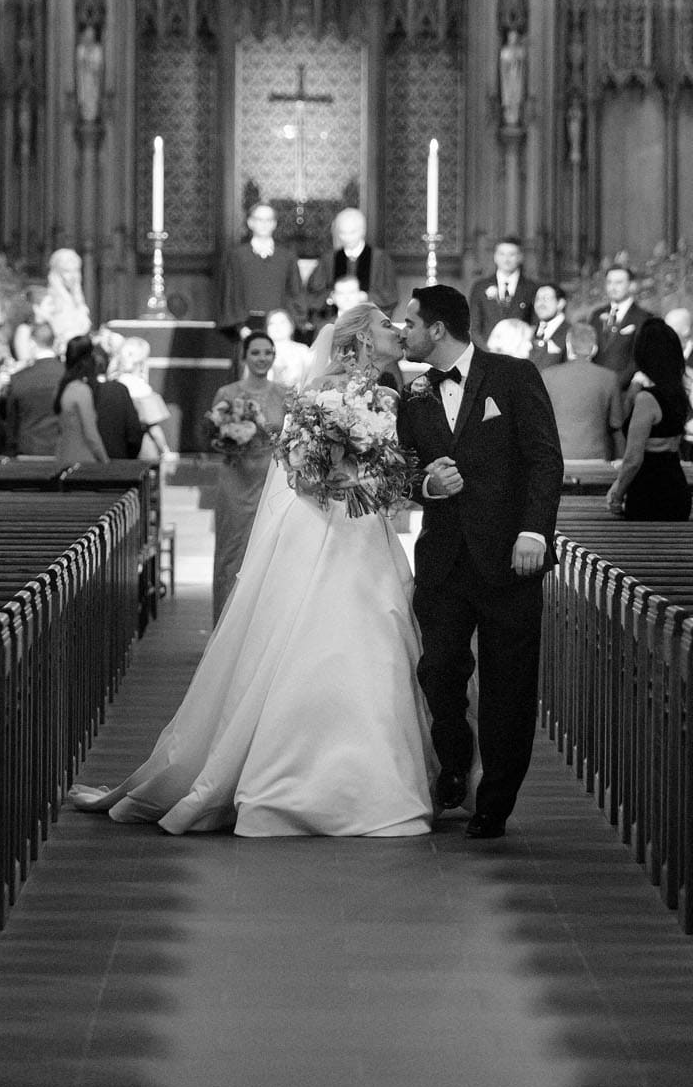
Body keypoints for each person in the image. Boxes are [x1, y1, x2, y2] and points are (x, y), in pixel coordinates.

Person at [72, 303, 434, 836]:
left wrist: (381, 483)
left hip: (368, 530)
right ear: (357, 339)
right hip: (322, 528)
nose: (397, 331)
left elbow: (390, 464)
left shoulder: (388, 396)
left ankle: (380, 775)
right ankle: (290, 776)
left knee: (379, 635)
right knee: (310, 638)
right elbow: (299, 469)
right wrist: (339, 480)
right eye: (385, 324)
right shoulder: (317, 393)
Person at [397, 284, 565, 840]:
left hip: (509, 557)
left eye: (411, 324)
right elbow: (406, 472)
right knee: (437, 669)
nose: (405, 333)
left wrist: (534, 531)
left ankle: (495, 800)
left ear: (438, 329)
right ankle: (452, 760)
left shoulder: (513, 376)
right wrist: (429, 484)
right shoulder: (415, 393)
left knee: (508, 684)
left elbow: (544, 459)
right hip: (444, 559)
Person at [208, 331, 290, 618]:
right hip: (236, 480)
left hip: (272, 479)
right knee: (232, 553)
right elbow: (212, 440)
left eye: (267, 352)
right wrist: (230, 437)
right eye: (255, 352)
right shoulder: (228, 394)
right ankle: (224, 625)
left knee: (271, 553)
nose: (262, 358)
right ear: (244, 356)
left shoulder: (285, 393)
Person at [605, 316, 692, 521]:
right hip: (677, 488)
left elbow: (633, 459)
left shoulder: (647, 399)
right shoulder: (679, 395)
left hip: (649, 491)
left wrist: (617, 493)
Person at [217, 203, 304, 339]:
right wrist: (240, 327)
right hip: (246, 327)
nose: (264, 224)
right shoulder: (236, 256)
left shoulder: (287, 256)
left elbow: (295, 292)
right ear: (250, 222)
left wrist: (290, 325)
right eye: (259, 219)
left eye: (268, 220)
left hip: (280, 328)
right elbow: (229, 293)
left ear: (274, 224)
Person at [542, 321, 625, 460]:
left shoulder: (547, 375)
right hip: (596, 460)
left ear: (568, 346)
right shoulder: (609, 378)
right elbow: (617, 425)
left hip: (558, 460)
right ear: (594, 349)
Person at [306, 206, 396, 313]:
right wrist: (331, 297)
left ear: (363, 231)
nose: (347, 238)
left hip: (368, 321)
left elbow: (390, 295)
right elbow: (313, 294)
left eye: (352, 232)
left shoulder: (380, 259)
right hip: (335, 320)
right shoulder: (329, 259)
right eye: (342, 233)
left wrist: (366, 296)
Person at [0, 323, 65, 455]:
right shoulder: (66, 374)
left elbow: (12, 422)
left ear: (32, 343)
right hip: (61, 449)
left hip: (28, 449)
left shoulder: (19, 378)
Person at [112, 336, 173, 461]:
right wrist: (165, 451)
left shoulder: (113, 386)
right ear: (142, 362)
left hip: (117, 448)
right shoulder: (141, 390)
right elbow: (154, 429)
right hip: (142, 451)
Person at [589, 264, 654, 382]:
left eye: (619, 283)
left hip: (625, 388)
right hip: (596, 385)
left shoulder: (644, 317)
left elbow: (640, 358)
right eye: (609, 282)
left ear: (631, 285)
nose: (613, 287)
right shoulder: (596, 315)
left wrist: (618, 383)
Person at [51, 335, 109, 464]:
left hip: (62, 456)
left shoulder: (62, 388)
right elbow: (91, 434)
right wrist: (105, 460)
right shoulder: (81, 390)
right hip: (83, 460)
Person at [469, 236, 538, 339]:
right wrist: (489, 349)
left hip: (519, 351)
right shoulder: (480, 287)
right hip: (487, 351)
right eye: (502, 254)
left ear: (520, 257)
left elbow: (535, 323)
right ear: (495, 257)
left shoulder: (531, 288)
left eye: (512, 255)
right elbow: (474, 327)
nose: (506, 259)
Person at [89, 345, 145, 459]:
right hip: (118, 462)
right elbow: (134, 433)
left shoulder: (79, 389)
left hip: (86, 463)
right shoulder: (119, 390)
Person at [36, 248, 93, 344]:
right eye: (67, 271)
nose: (73, 276)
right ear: (56, 273)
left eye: (76, 270)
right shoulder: (49, 302)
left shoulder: (78, 303)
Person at [264, 309, 314, 388]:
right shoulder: (260, 353)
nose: (277, 327)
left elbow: (312, 378)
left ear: (291, 326)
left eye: (282, 322)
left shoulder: (303, 350)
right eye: (272, 323)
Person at [527, 284, 569, 370]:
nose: (540, 303)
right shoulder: (529, 331)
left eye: (546, 298)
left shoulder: (570, 332)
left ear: (560, 303)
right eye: (537, 299)